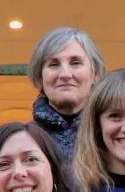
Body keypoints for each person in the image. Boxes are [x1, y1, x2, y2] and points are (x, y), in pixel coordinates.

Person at [29, 26, 104, 157]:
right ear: (40, 77)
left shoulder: (112, 136)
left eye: (75, 63)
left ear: (95, 74)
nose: (65, 74)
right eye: (54, 64)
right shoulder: (26, 140)